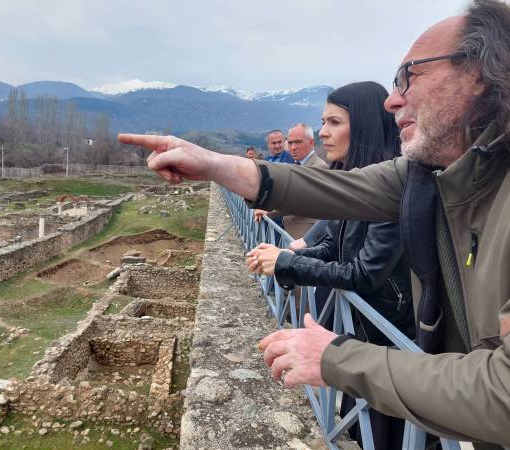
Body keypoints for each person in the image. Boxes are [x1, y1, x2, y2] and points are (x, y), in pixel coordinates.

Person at [118, 1, 510, 446]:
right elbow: (333, 191)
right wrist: (211, 164)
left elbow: (502, 394)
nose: (392, 98)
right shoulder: (432, 175)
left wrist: (334, 358)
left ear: (479, 73)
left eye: (410, 75)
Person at [247, 82, 415, 450]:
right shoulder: (354, 179)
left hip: (383, 336)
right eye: (323, 121)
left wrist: (289, 263)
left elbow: (364, 273)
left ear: (365, 126)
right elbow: (329, 245)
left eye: (334, 122)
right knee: (360, 422)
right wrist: (283, 260)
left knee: (387, 432)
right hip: (360, 328)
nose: (323, 131)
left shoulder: (389, 189)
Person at [254, 124, 326, 239]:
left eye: (298, 142)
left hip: (303, 234)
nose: (293, 147)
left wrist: (269, 210)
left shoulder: (318, 167)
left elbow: (301, 201)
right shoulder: (296, 165)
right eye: (291, 143)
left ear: (311, 142)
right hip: (290, 231)